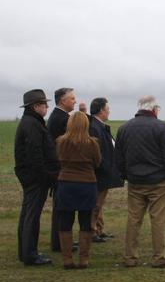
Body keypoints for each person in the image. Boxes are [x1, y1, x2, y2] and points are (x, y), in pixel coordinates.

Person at [116, 95, 165, 268]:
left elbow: (119, 157)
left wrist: (126, 175)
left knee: (133, 219)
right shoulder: (161, 127)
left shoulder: (124, 128)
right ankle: (160, 257)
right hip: (160, 182)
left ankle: (130, 257)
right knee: (158, 219)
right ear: (154, 109)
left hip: (135, 181)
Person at [14, 89, 60, 266]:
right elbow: (35, 154)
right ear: (35, 106)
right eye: (44, 104)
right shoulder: (32, 124)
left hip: (30, 176)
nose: (47, 107)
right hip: (35, 178)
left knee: (28, 215)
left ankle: (26, 252)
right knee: (31, 216)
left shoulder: (31, 122)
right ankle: (30, 255)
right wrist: (46, 176)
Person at [54, 112, 101, 269]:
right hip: (87, 184)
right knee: (85, 222)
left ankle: (67, 259)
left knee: (65, 222)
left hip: (66, 184)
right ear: (86, 125)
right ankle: (83, 259)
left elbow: (58, 160)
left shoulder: (61, 142)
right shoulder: (92, 144)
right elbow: (97, 162)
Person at [47, 87, 85, 252]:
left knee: (61, 209)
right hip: (61, 169)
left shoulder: (58, 116)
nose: (74, 101)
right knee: (61, 210)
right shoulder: (61, 119)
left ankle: (60, 241)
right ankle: (60, 243)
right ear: (62, 101)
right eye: (72, 98)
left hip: (60, 169)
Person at [88, 97, 124, 243]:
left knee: (99, 204)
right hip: (100, 173)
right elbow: (97, 153)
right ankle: (92, 231)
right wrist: (105, 167)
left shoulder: (99, 125)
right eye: (107, 109)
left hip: (105, 172)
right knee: (96, 204)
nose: (109, 111)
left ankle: (99, 229)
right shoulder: (94, 127)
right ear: (101, 110)